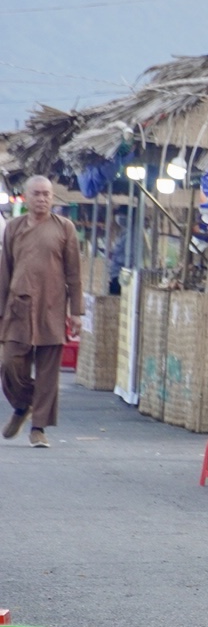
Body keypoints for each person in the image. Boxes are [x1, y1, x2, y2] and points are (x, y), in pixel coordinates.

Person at [0, 175, 84, 447]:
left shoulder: (65, 228)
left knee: (49, 371)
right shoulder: (13, 228)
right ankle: (23, 404)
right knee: (10, 363)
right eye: (37, 193)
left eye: (47, 194)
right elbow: (5, 272)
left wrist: (77, 312)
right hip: (18, 308)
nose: (42, 198)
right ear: (26, 197)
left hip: (52, 308)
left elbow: (74, 273)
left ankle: (38, 428)